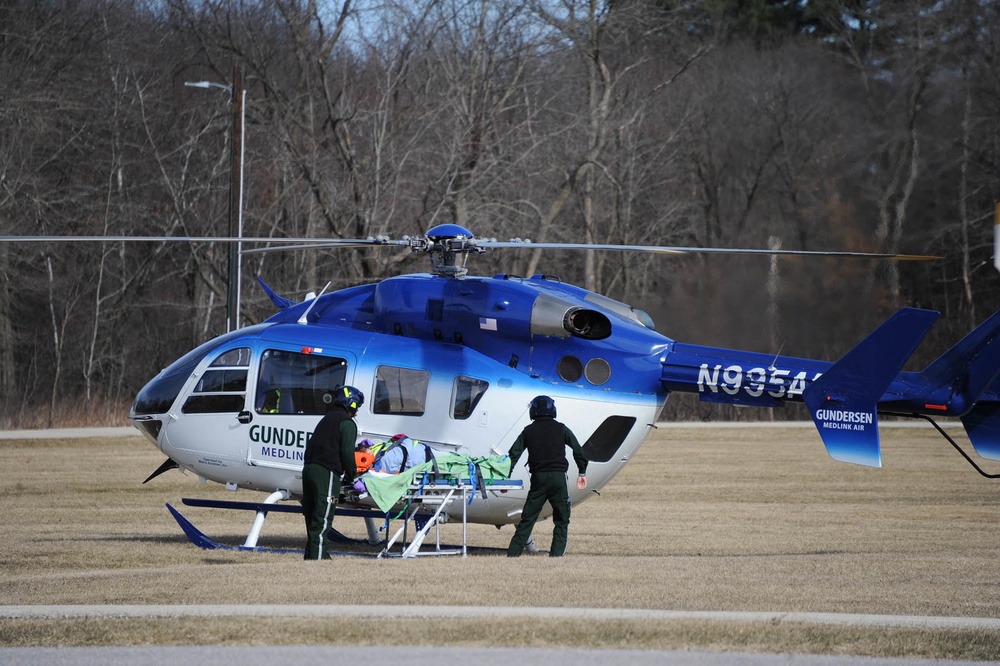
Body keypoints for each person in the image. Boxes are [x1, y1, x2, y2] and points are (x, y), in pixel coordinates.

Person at [505, 395, 588, 558]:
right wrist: (582, 472)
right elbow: (578, 450)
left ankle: (513, 554)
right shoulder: (562, 428)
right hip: (558, 478)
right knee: (562, 518)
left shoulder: (528, 431)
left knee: (528, 518)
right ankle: (556, 555)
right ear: (553, 410)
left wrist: (505, 477)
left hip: (538, 478)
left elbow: (513, 455)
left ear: (533, 411)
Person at [301, 385, 364, 560]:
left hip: (309, 469)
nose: (357, 412)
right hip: (326, 472)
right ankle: (319, 558)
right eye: (356, 407)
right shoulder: (347, 423)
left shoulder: (327, 418)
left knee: (312, 515)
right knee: (322, 516)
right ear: (350, 404)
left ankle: (311, 555)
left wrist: (358, 447)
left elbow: (331, 443)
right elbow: (345, 453)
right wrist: (353, 477)